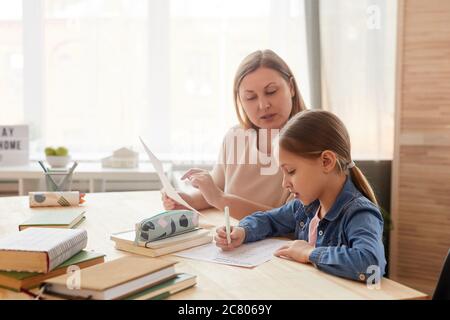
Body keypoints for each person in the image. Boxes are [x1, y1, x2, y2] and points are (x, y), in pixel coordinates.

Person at [215, 110, 386, 282]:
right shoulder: (305, 207)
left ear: (326, 161)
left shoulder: (360, 213)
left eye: (291, 171)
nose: (285, 183)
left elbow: (371, 265)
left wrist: (309, 253)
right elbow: (270, 220)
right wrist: (242, 231)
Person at [163, 49, 307, 219]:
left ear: (291, 87)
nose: (263, 105)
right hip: (234, 238)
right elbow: (215, 191)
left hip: (279, 244)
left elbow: (291, 220)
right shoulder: (236, 137)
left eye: (271, 91)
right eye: (250, 97)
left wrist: (219, 199)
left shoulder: (310, 144)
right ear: (240, 100)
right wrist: (187, 200)